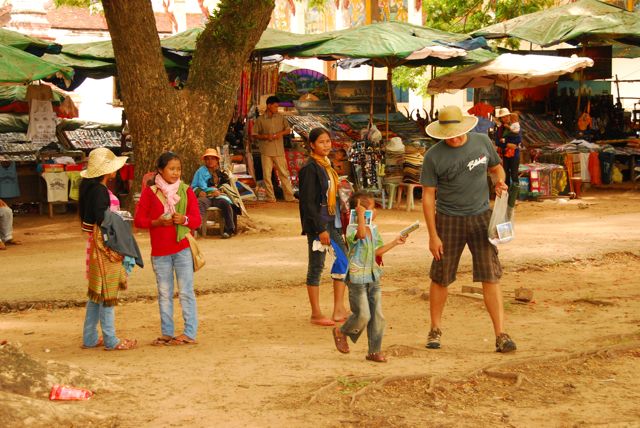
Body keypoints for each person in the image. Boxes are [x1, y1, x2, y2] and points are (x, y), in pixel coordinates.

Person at [420, 105, 517, 353]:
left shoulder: (482, 142)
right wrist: (433, 235)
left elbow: (496, 168)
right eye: (448, 135)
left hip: (481, 218)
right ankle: (435, 329)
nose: (453, 139)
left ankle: (501, 334)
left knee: (490, 274)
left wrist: (500, 182)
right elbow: (428, 197)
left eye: (456, 133)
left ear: (464, 128)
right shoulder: (433, 156)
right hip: (448, 220)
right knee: (441, 276)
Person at [134, 152, 202, 346]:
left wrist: (184, 219)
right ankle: (167, 333)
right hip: (160, 251)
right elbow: (139, 220)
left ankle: (189, 333)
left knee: (186, 292)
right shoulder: (150, 192)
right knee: (165, 293)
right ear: (160, 170)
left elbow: (196, 220)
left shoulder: (186, 191)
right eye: (171, 169)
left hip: (182, 249)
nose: (175, 172)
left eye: (178, 169)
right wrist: (157, 222)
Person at [331, 191, 406, 363]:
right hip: (357, 279)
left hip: (373, 276)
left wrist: (395, 242)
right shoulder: (351, 228)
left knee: (377, 316)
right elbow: (361, 235)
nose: (376, 211)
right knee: (363, 314)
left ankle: (374, 351)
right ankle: (341, 331)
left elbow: (377, 251)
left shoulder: (374, 229)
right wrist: (360, 217)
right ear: (362, 211)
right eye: (372, 208)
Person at [79, 148, 136, 351]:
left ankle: (90, 337)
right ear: (106, 170)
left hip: (94, 245)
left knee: (96, 293)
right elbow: (103, 220)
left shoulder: (91, 189)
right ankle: (111, 340)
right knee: (108, 294)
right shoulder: (101, 191)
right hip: (105, 246)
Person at [299, 127, 350, 326]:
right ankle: (316, 313)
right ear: (312, 145)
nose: (326, 145)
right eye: (321, 142)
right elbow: (308, 203)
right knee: (316, 266)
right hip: (318, 225)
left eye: (328, 141)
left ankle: (339, 309)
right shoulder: (310, 168)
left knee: (343, 260)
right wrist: (320, 229)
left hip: (332, 221)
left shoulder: (327, 166)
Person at [252, 95, 296, 202]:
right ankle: (270, 197)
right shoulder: (260, 120)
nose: (277, 108)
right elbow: (254, 134)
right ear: (269, 106)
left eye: (277, 106)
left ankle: (289, 197)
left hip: (279, 151)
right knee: (267, 176)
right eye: (275, 106)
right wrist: (266, 136)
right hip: (266, 151)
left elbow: (288, 130)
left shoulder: (280, 118)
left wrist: (280, 134)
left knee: (284, 174)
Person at [191, 148, 240, 239]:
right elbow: (193, 187)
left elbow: (226, 186)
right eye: (207, 159)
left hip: (218, 197)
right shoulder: (200, 171)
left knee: (226, 203)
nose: (210, 161)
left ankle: (228, 230)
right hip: (205, 197)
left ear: (217, 160)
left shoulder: (222, 172)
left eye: (212, 158)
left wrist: (219, 191)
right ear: (205, 160)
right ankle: (196, 226)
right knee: (199, 203)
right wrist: (199, 192)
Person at [494, 107, 522, 187]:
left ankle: (515, 193)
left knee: (514, 174)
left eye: (507, 116)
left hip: (514, 154)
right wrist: (507, 144)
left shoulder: (516, 126)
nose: (505, 118)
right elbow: (497, 142)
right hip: (504, 155)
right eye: (503, 117)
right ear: (501, 119)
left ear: (510, 116)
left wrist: (505, 141)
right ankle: (506, 192)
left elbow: (518, 139)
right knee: (505, 174)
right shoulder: (500, 129)